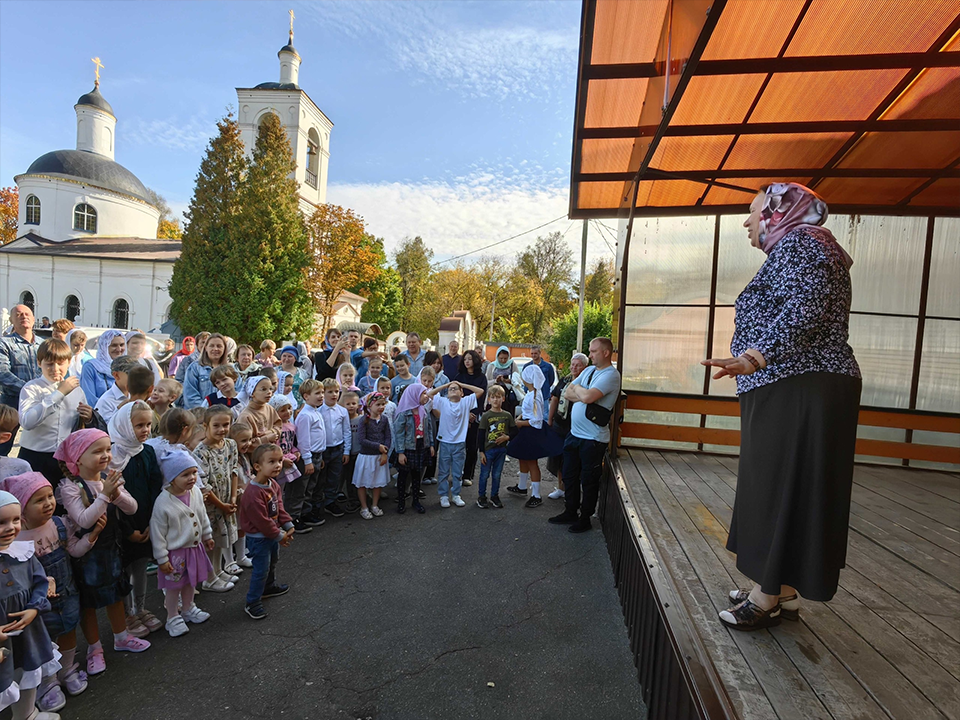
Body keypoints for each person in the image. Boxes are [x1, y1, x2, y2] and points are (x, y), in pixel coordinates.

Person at [701, 182, 861, 630]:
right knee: (785, 487)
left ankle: (765, 596)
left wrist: (754, 356)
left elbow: (804, 310)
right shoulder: (804, 247)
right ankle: (782, 587)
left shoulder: (801, 244)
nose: (747, 221)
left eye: (753, 211)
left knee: (781, 487)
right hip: (796, 384)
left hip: (800, 385)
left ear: (779, 212)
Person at [54, 429, 151, 675]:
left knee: (115, 595)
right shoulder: (70, 487)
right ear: (77, 459)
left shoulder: (108, 477)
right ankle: (94, 649)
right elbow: (84, 520)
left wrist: (116, 494)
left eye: (108, 449)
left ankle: (121, 637)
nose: (106, 455)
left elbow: (131, 508)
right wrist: (106, 495)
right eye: (97, 451)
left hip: (111, 550)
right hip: (86, 556)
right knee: (89, 604)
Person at [2, 472, 88, 711]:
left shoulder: (59, 525)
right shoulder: (17, 541)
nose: (49, 503)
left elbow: (71, 551)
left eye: (50, 496)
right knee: (43, 642)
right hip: (35, 607)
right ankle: (48, 682)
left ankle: (68, 667)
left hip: (65, 593)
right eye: (39, 500)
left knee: (70, 627)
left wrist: (90, 540)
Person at [0, 488, 61, 720]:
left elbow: (39, 581)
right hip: (2, 636)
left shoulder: (23, 551)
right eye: (1, 522)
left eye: (15, 520)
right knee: (5, 678)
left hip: (29, 631)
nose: (10, 527)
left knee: (29, 672)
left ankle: (26, 715)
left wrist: (35, 608)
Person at [549, 338, 620, 535]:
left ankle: (585, 517)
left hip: (593, 438)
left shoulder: (611, 375)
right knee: (569, 475)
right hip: (574, 434)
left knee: (588, 480)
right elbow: (567, 392)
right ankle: (570, 511)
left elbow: (587, 397)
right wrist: (583, 393)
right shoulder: (589, 371)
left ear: (606, 353)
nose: (590, 355)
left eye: (594, 351)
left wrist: (581, 393)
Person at [107, 401, 164, 639]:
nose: (145, 430)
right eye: (139, 425)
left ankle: (140, 607)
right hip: (123, 526)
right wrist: (128, 529)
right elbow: (113, 498)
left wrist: (152, 522)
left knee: (140, 565)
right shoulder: (112, 456)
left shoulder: (147, 451)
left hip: (146, 522)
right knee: (124, 568)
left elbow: (154, 487)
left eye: (148, 424)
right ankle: (128, 613)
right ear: (124, 425)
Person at [149, 447, 215, 637]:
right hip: (175, 554)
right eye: (185, 474)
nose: (192, 478)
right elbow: (157, 532)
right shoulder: (163, 502)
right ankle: (172, 617)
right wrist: (162, 558)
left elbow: (202, 515)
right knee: (173, 587)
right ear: (171, 477)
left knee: (190, 582)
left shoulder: (194, 492)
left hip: (194, 548)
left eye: (194, 472)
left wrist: (207, 535)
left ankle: (188, 608)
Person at [18, 339, 93, 485]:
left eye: (60, 363)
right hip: (35, 456)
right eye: (49, 364)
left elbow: (78, 426)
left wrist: (88, 417)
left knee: (63, 503)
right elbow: (27, 422)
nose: (55, 368)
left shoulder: (77, 391)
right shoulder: (31, 388)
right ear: (39, 363)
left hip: (64, 459)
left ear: (69, 362)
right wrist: (58, 393)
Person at [239, 443, 295, 620]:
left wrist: (287, 524)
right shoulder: (253, 493)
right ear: (257, 467)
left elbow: (278, 506)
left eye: (279, 460)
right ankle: (252, 602)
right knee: (260, 569)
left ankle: (268, 588)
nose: (278, 465)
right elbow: (261, 521)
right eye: (272, 461)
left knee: (273, 562)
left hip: (272, 534)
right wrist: (280, 536)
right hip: (259, 538)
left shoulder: (272, 484)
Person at [193, 405, 242, 592]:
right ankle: (209, 578)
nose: (222, 429)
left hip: (227, 500)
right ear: (206, 425)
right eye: (217, 425)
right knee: (211, 539)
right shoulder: (200, 451)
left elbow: (234, 471)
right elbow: (203, 483)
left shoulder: (230, 445)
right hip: (211, 504)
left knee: (223, 537)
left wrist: (232, 498)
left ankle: (218, 570)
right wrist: (221, 504)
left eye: (226, 424)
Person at [505, 364, 564, 509]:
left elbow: (537, 421)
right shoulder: (532, 393)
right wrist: (521, 417)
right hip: (526, 430)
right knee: (523, 458)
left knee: (532, 462)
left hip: (531, 432)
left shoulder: (535, 396)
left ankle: (536, 494)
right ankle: (522, 486)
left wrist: (520, 423)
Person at [428, 380, 484, 508]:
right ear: (446, 394)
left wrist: (461, 384)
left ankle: (456, 495)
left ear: (462, 393)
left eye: (455, 389)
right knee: (443, 471)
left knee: (458, 472)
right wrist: (446, 385)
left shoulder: (465, 402)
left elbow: (480, 391)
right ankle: (443, 496)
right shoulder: (443, 402)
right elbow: (430, 394)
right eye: (450, 389)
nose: (452, 390)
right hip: (445, 442)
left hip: (459, 443)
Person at [0, 304, 41, 455]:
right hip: (12, 402)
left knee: (39, 443)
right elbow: (2, 373)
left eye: (26, 314)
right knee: (3, 445)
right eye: (18, 315)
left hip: (39, 401)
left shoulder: (43, 344)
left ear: (33, 319)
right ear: (11, 320)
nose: (23, 316)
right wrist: (29, 388)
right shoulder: (4, 343)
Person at [546, 353, 588, 499]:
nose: (574, 367)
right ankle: (561, 488)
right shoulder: (564, 380)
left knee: (573, 460)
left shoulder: (586, 384)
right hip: (560, 424)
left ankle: (573, 490)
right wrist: (550, 419)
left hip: (576, 427)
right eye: (572, 364)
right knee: (558, 457)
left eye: (578, 365)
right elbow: (555, 399)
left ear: (585, 367)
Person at [292, 379, 326, 534]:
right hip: (309, 457)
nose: (321, 396)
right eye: (317, 393)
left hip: (317, 455)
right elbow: (303, 440)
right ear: (306, 396)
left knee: (310, 487)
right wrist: (307, 461)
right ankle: (294, 518)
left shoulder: (315, 411)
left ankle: (306, 513)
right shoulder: (305, 415)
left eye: (322, 393)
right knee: (302, 489)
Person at [392, 382, 432, 515]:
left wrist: (430, 445)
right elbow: (399, 434)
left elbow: (429, 429)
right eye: (423, 393)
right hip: (408, 448)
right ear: (414, 395)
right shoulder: (404, 413)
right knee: (403, 476)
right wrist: (400, 453)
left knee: (417, 475)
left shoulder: (424, 410)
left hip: (421, 446)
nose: (426, 396)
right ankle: (402, 501)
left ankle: (416, 501)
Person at [353, 392, 392, 520]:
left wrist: (384, 452)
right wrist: (378, 446)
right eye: (378, 404)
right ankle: (364, 507)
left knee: (377, 483)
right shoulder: (364, 420)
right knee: (362, 483)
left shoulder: (384, 419)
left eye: (383, 404)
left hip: (379, 456)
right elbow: (362, 440)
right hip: (366, 457)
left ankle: (375, 505)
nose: (381, 407)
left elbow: (388, 437)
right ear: (370, 405)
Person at [476, 384, 515, 509]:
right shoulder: (486, 416)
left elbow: (514, 431)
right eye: (492, 397)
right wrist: (481, 452)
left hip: (501, 450)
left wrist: (507, 437)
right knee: (484, 474)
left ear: (503, 399)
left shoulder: (507, 415)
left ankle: (495, 496)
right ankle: (481, 496)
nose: (495, 400)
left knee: (497, 474)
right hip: (488, 450)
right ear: (489, 399)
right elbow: (480, 434)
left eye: (498, 397)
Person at [454, 349, 488, 487]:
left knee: (472, 446)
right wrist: (464, 413)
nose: (467, 361)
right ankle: (456, 473)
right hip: (460, 415)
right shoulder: (459, 376)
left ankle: (468, 475)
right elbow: (455, 397)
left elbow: (481, 398)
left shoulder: (481, 377)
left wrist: (472, 414)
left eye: (470, 359)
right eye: (465, 359)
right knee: (457, 446)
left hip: (474, 416)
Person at [79, 330, 125, 408]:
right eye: (114, 345)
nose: (119, 349)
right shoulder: (91, 367)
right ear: (104, 346)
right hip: (99, 414)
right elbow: (89, 398)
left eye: (121, 345)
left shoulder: (127, 367)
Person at [183, 333, 229, 409]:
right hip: (199, 415)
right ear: (206, 348)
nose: (215, 349)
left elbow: (237, 393)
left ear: (224, 349)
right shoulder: (194, 368)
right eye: (212, 346)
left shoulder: (230, 370)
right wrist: (207, 411)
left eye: (219, 346)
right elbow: (190, 395)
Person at [238, 376, 282, 450]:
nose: (269, 392)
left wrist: (271, 432)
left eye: (270, 389)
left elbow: (278, 426)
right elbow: (244, 444)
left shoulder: (270, 409)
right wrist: (265, 439)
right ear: (252, 393)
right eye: (263, 389)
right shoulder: (246, 416)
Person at [94, 356, 137, 425]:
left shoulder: (136, 394)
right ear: (116, 375)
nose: (135, 378)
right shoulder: (106, 402)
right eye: (131, 374)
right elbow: (108, 430)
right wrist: (120, 409)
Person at [485, 345, 518, 414]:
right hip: (494, 393)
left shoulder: (512, 365)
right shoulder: (492, 366)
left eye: (505, 358)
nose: (503, 360)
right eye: (501, 358)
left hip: (507, 394)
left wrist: (508, 381)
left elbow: (518, 380)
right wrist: (496, 381)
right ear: (497, 357)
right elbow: (486, 382)